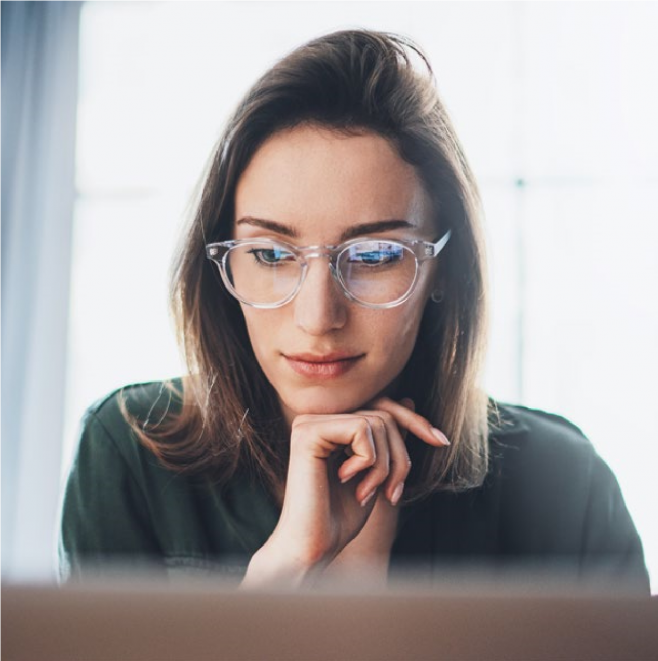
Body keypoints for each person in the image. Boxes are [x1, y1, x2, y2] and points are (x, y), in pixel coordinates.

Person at [59, 29, 649, 591]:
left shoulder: (564, 484)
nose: (318, 317)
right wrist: (285, 570)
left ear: (445, 268)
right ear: (222, 267)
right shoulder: (131, 449)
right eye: (269, 253)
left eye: (374, 255)